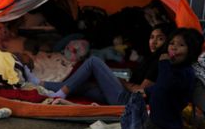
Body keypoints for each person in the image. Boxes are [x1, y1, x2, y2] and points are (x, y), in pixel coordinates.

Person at [42, 23, 176, 105]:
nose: (154, 42)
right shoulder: (151, 58)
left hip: (126, 100)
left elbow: (142, 92)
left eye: (160, 39)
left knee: (93, 62)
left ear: (169, 41)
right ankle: (40, 84)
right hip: (122, 94)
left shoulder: (160, 62)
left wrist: (122, 82)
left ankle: (61, 94)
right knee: (85, 85)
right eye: (152, 37)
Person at [134, 28, 204, 129]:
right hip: (159, 121)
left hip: (163, 126)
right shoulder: (174, 69)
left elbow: (166, 85)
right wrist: (147, 91)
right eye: (172, 43)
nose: (173, 47)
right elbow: (161, 88)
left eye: (181, 45)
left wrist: (164, 64)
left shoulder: (185, 73)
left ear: (191, 52)